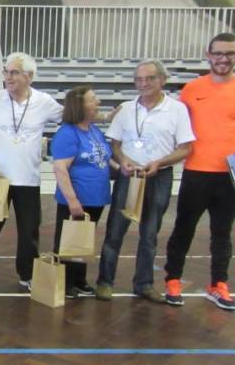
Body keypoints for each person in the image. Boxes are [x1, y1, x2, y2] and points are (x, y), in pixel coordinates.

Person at [96, 60, 194, 303]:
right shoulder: (126, 109)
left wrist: (158, 163)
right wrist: (123, 161)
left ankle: (144, 284)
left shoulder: (177, 110)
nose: (143, 84)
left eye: (149, 78)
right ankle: (105, 282)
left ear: (162, 80)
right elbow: (115, 144)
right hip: (129, 176)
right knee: (115, 231)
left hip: (159, 176)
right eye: (139, 79)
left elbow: (185, 148)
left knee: (149, 233)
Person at [0, 52, 63, 291]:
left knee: (29, 230)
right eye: (6, 72)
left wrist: (105, 115)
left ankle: (28, 274)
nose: (8, 77)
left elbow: (70, 116)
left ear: (29, 76)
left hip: (28, 178)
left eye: (13, 72)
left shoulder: (44, 102)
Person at [164, 32, 235, 310]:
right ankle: (173, 279)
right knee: (183, 228)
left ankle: (218, 284)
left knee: (222, 232)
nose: (223, 58)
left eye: (229, 53)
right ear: (208, 55)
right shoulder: (192, 89)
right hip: (196, 172)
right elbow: (177, 129)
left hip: (228, 176)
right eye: (218, 53)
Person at [50, 86, 112, 298]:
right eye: (93, 100)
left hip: (96, 197)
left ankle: (79, 280)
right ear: (80, 105)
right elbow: (60, 169)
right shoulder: (67, 133)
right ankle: (66, 282)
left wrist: (125, 166)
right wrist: (72, 200)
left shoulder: (93, 130)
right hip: (77, 198)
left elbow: (105, 156)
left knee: (83, 240)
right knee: (68, 241)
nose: (98, 103)